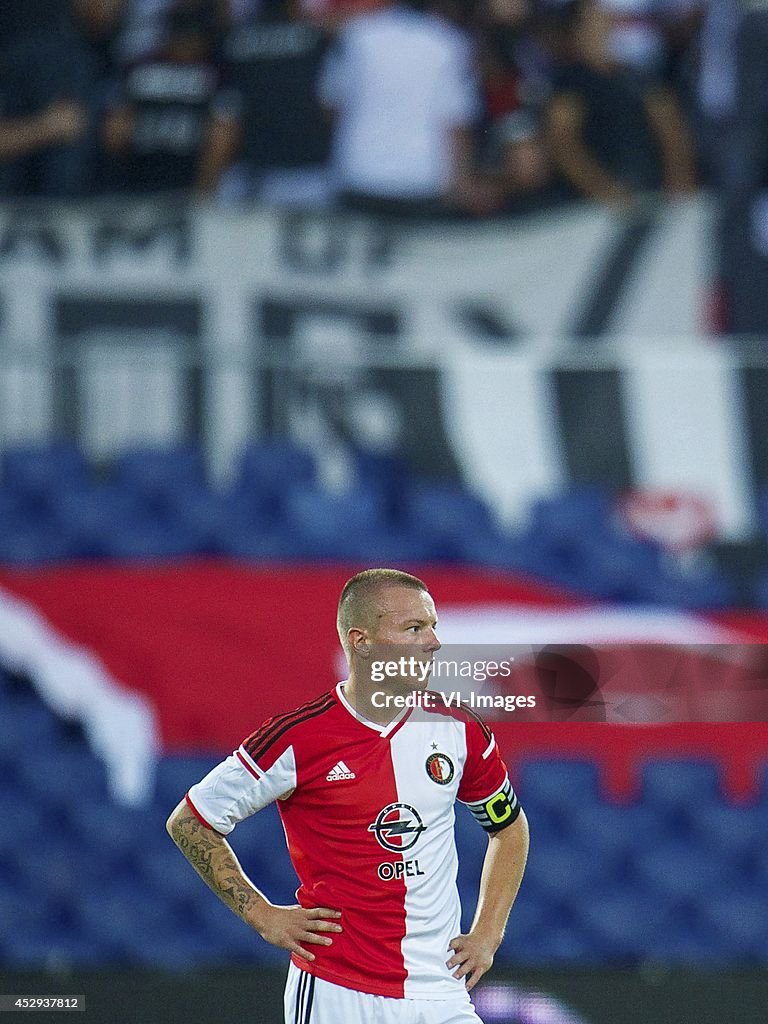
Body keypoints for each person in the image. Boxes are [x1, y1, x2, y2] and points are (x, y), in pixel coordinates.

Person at [167, 567, 529, 1024]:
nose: (434, 642)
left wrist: (487, 934)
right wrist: (262, 915)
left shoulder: (459, 729)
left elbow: (509, 827)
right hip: (336, 991)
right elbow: (191, 820)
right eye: (414, 628)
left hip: (440, 991)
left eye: (433, 626)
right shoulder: (296, 737)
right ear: (361, 641)